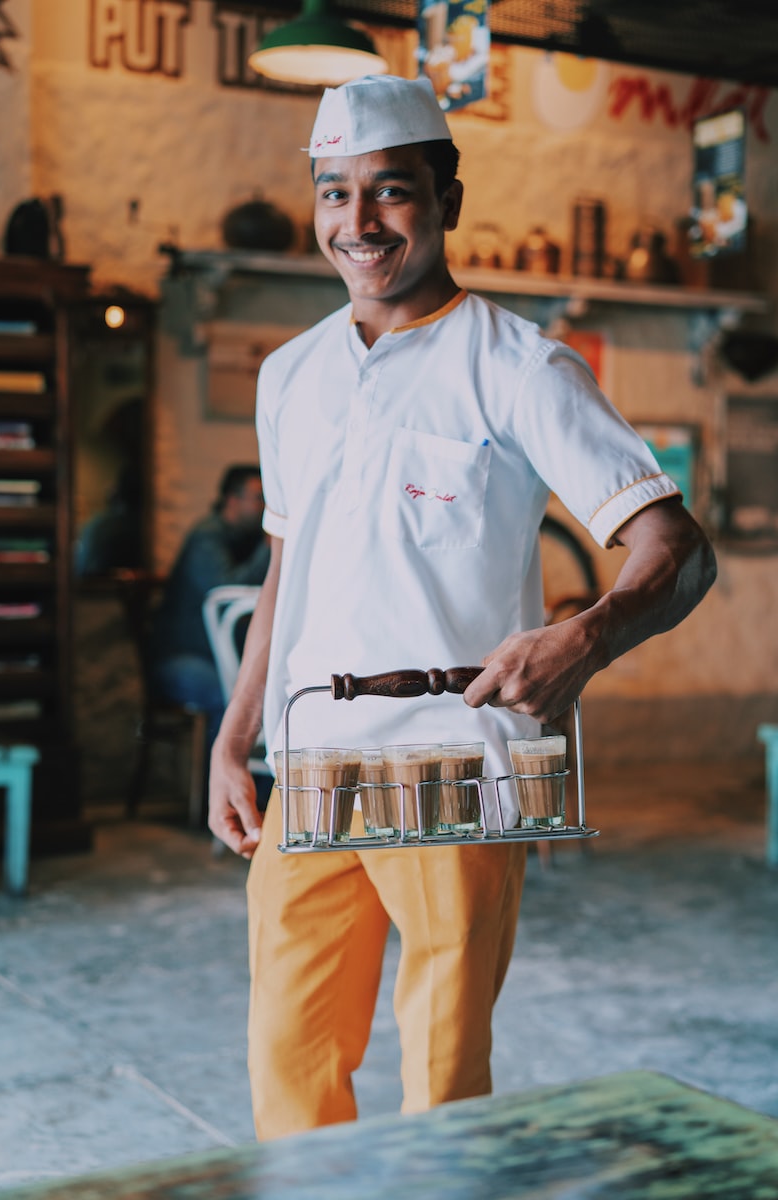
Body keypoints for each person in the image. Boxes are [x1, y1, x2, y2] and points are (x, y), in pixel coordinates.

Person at [208, 75, 717, 1141]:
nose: (359, 222)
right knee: (286, 1067)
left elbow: (676, 548)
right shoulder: (288, 375)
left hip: (455, 759)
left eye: (388, 191)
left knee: (440, 1084)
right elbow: (286, 569)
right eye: (335, 193)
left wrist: (584, 636)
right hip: (309, 762)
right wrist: (234, 735)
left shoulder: (517, 367)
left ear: (446, 198)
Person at [149, 464, 269, 761]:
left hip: (215, 659)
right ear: (231, 499)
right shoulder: (206, 538)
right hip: (181, 660)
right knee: (232, 697)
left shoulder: (244, 541)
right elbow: (228, 592)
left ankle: (266, 798)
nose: (265, 507)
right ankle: (217, 796)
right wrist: (271, 546)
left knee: (265, 691)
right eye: (258, 498)